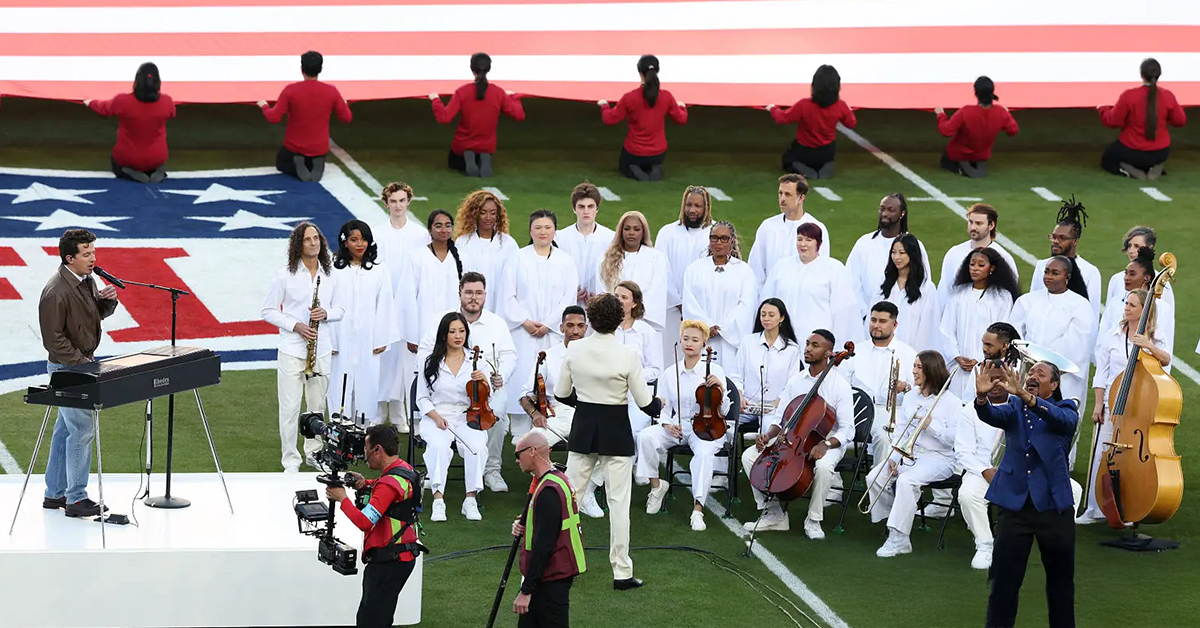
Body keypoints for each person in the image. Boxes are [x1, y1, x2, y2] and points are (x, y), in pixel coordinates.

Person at [555, 293, 662, 590]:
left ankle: (555, 561)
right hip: (616, 430)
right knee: (619, 504)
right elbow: (645, 402)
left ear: (590, 319)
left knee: (568, 499)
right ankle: (621, 572)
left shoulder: (575, 349)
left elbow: (562, 394)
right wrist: (659, 405)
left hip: (584, 428)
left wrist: (588, 405)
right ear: (618, 320)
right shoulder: (627, 354)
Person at [974, 361, 1078, 628]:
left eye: (1040, 374)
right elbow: (991, 416)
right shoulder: (1015, 407)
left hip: (1053, 507)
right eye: (1030, 372)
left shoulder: (1067, 409)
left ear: (1054, 385)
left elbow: (1061, 422)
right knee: (1004, 581)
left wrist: (1026, 397)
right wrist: (982, 397)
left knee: (1061, 583)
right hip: (1015, 506)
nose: (1032, 375)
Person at [740, 330, 856, 539]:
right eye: (807, 343)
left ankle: (813, 519)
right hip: (793, 438)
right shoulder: (796, 381)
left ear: (829, 353)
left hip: (828, 441)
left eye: (815, 345)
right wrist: (768, 435)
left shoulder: (840, 386)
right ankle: (774, 513)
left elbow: (848, 429)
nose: (808, 348)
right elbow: (780, 417)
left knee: (823, 466)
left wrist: (826, 445)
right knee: (749, 456)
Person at [38, 229, 119, 517]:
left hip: (77, 363)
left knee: (65, 431)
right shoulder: (56, 290)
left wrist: (106, 302)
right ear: (69, 258)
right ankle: (75, 498)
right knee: (82, 430)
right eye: (86, 254)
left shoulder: (86, 281)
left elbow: (91, 316)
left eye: (93, 252)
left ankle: (55, 494)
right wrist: (80, 363)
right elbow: (53, 338)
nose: (93, 258)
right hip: (68, 368)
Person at [414, 272, 518, 494]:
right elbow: (423, 353)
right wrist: (439, 366)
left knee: (496, 411)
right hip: (448, 386)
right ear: (460, 293)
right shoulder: (442, 320)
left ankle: (491, 470)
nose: (473, 297)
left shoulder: (496, 323)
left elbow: (509, 355)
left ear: (485, 295)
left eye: (478, 293)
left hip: (488, 387)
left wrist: (500, 376)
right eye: (469, 292)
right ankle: (437, 472)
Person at [1079, 288, 1171, 524]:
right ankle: (1094, 509)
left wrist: (1148, 345)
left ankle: (1130, 507)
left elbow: (1166, 359)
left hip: (1141, 407)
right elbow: (1102, 371)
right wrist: (1098, 404)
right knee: (1103, 453)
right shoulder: (1112, 335)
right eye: (1126, 303)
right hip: (1113, 403)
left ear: (1144, 310)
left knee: (1131, 459)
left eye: (1132, 305)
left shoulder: (1155, 336)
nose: (1127, 308)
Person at [261, 222, 344, 472]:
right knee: (289, 407)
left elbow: (341, 308)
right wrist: (295, 325)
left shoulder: (330, 275)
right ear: (299, 244)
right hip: (292, 349)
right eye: (308, 240)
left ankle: (315, 453)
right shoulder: (284, 275)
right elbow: (268, 310)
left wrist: (326, 313)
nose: (313, 243)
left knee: (317, 405)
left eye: (316, 239)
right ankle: (290, 460)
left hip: (322, 347)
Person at [324, 424, 426, 628]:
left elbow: (364, 522)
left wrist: (342, 498)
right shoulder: (402, 469)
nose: (364, 454)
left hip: (388, 561)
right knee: (379, 617)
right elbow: (387, 489)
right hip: (399, 557)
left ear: (378, 449)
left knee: (371, 621)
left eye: (366, 449)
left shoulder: (389, 483)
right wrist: (366, 483)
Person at [638, 319, 731, 532]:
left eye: (695, 340)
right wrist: (666, 424)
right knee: (645, 437)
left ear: (704, 343)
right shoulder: (670, 372)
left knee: (705, 454)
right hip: (677, 426)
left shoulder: (714, 370)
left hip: (707, 427)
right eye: (685, 338)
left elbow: (723, 410)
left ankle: (698, 508)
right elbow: (661, 405)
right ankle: (656, 486)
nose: (689, 343)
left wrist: (719, 388)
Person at [865, 351, 960, 558]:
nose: (913, 371)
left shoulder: (951, 402)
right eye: (914, 366)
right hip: (910, 454)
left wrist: (931, 425)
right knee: (874, 477)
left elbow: (955, 440)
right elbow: (901, 430)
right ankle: (894, 520)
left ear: (931, 371)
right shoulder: (909, 397)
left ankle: (899, 538)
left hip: (939, 458)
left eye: (919, 367)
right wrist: (893, 457)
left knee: (906, 481)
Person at [502, 210, 579, 439]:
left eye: (547, 227)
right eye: (538, 228)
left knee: (551, 375)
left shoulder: (565, 261)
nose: (542, 232)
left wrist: (549, 323)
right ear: (530, 231)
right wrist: (524, 321)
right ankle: (518, 427)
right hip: (524, 331)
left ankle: (551, 418)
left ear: (554, 230)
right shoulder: (518, 258)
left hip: (552, 332)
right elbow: (508, 294)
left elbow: (568, 296)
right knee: (523, 374)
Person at [949, 322, 1017, 570]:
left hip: (1018, 469)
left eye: (1001, 381)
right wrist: (985, 471)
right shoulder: (971, 411)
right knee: (967, 495)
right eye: (990, 381)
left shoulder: (1022, 406)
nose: (996, 385)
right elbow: (963, 452)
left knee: (1071, 489)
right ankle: (985, 545)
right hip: (983, 469)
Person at [416, 312, 491, 522]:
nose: (458, 336)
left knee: (477, 447)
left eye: (461, 331)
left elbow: (487, 394)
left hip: (468, 414)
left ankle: (470, 500)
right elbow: (422, 398)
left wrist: (484, 381)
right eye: (452, 332)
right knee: (439, 447)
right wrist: (436, 417)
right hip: (437, 414)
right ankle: (439, 500)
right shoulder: (430, 361)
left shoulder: (477, 360)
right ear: (443, 335)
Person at [326, 220, 401, 425]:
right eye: (354, 239)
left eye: (364, 239)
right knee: (339, 385)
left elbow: (384, 304)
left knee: (366, 387)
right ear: (345, 242)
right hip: (340, 338)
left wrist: (380, 338)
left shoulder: (378, 270)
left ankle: (363, 433)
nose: (360, 244)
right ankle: (338, 432)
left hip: (368, 339)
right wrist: (330, 341)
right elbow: (327, 304)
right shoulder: (332, 270)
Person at [511, 431, 586, 627]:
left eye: (518, 455)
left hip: (549, 579)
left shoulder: (548, 491)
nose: (517, 461)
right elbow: (551, 523)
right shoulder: (558, 479)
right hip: (552, 574)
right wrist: (526, 525)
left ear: (532, 452)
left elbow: (543, 545)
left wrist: (526, 590)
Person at [373, 182, 430, 429]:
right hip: (383, 304)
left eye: (402, 200)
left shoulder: (420, 235)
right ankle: (378, 412)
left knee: (406, 361)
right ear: (386, 203)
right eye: (393, 201)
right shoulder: (376, 233)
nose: (397, 205)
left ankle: (401, 413)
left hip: (409, 306)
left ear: (409, 202)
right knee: (384, 358)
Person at [1010, 256, 1098, 416]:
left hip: (1063, 376)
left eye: (1055, 273)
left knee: (1058, 419)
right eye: (1046, 272)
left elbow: (1078, 344)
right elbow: (1015, 335)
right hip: (1027, 373)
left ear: (1067, 277)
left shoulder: (1080, 305)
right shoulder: (1027, 301)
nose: (1049, 277)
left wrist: (1045, 366)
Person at [761, 223, 862, 350]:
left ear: (818, 243)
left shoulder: (834, 269)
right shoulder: (781, 267)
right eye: (799, 239)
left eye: (808, 240)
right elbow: (767, 301)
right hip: (783, 341)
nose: (803, 244)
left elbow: (844, 312)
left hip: (816, 343)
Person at [258, 51, 352, 182]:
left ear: (302, 69)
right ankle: (316, 162)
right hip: (319, 148)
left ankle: (297, 165)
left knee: (282, 163)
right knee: (314, 158)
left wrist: (264, 106)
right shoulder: (331, 91)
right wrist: (345, 105)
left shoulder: (291, 90)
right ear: (320, 69)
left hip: (294, 147)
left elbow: (274, 118)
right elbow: (346, 117)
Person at [939, 247, 1020, 401]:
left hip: (988, 366)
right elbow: (947, 328)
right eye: (972, 264)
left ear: (992, 268)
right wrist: (956, 355)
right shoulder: (958, 294)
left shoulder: (1002, 297)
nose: (975, 269)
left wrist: (980, 359)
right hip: (958, 366)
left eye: (980, 265)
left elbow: (1003, 333)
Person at [431, 52, 525, 177]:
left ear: (471, 69)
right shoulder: (498, 92)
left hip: (463, 144)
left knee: (453, 163)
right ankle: (483, 158)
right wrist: (514, 97)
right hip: (487, 145)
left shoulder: (462, 92)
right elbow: (519, 115)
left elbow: (444, 117)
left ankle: (468, 158)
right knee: (481, 151)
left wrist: (435, 100)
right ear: (489, 69)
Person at [841, 302, 916, 458]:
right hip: (856, 409)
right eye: (873, 320)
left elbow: (917, 391)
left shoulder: (908, 353)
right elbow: (841, 386)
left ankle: (878, 481)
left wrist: (905, 387)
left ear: (894, 325)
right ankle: (834, 481)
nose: (876, 325)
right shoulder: (856, 352)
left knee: (884, 438)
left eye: (882, 321)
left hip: (888, 411)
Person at [682, 220, 757, 372]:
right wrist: (706, 327)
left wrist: (722, 328)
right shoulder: (695, 269)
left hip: (730, 342)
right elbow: (690, 303)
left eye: (724, 238)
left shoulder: (744, 271)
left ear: (731, 241)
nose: (718, 242)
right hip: (702, 339)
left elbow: (746, 306)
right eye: (714, 238)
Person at [599, 54, 688, 181]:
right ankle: (653, 168)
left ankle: (635, 170)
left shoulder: (630, 98)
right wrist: (683, 108)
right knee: (651, 161)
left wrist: (604, 106)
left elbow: (610, 119)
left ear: (639, 72)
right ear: (657, 71)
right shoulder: (666, 96)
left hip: (634, 152)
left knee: (624, 166)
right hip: (658, 153)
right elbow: (681, 119)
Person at [85, 62, 176, 183]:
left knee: (117, 163)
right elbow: (172, 113)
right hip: (157, 157)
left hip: (127, 158)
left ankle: (131, 173)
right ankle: (154, 172)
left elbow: (105, 108)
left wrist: (90, 102)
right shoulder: (167, 102)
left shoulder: (122, 101)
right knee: (153, 161)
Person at [1099, 58, 1187, 179]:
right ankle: (1155, 166)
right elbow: (1180, 121)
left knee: (1107, 160)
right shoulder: (1168, 96)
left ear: (1141, 74)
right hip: (1160, 152)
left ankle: (1129, 169)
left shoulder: (1129, 96)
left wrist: (1103, 109)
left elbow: (1113, 121)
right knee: (1147, 157)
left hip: (1131, 150)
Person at [765, 64, 856, 179]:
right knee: (826, 155)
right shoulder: (841, 106)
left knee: (787, 160)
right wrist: (848, 110)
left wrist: (773, 108)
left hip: (804, 151)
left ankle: (802, 170)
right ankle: (826, 165)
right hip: (827, 151)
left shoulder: (804, 105)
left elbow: (782, 118)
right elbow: (851, 123)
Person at [845, 193, 931, 314]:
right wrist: (864, 313)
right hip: (868, 319)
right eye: (882, 209)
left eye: (891, 210)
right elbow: (851, 280)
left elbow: (923, 282)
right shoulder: (864, 243)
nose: (884, 213)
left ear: (902, 214)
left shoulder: (916, 246)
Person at [404, 209, 467, 368]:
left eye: (448, 225)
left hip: (454, 327)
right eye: (438, 226)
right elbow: (408, 297)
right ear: (430, 229)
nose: (444, 230)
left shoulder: (461, 257)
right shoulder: (417, 257)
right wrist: (412, 335)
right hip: (424, 326)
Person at [1100, 232, 1175, 364]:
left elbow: (1166, 348)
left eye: (1132, 274)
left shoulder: (1162, 309)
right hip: (1115, 374)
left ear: (1147, 278)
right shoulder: (1115, 303)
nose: (1126, 278)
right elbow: (1102, 339)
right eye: (1126, 273)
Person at [656, 185, 715, 352]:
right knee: (671, 354)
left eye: (698, 206)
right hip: (673, 310)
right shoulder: (667, 233)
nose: (692, 210)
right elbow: (662, 272)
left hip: (705, 309)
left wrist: (694, 308)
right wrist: (681, 304)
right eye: (689, 205)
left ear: (706, 207)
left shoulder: (714, 233)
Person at [730, 299, 802, 429]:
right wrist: (739, 394)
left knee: (769, 431)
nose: (766, 318)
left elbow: (792, 383)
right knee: (725, 423)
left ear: (782, 318)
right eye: (763, 315)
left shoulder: (792, 349)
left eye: (771, 315)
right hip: (747, 405)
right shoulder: (748, 342)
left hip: (773, 408)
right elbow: (736, 374)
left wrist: (777, 403)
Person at [747, 174, 830, 287]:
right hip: (771, 298)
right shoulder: (768, 227)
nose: (782, 199)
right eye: (780, 193)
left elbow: (822, 268)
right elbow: (756, 268)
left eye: (788, 194)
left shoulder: (817, 228)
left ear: (801, 198)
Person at [594, 211, 669, 333]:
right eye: (627, 228)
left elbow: (656, 291)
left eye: (637, 229)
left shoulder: (656, 258)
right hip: (614, 324)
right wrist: (618, 314)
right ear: (621, 232)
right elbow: (603, 291)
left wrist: (634, 314)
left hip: (643, 323)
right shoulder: (605, 258)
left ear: (643, 232)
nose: (631, 233)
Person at [1030, 198, 1102, 320]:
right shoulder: (1042, 265)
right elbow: (1033, 301)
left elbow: (1092, 313)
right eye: (1053, 237)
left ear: (1075, 241)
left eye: (1062, 238)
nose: (1055, 242)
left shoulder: (1090, 271)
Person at [934, 76, 1019, 178]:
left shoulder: (966, 112)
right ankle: (972, 164)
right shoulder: (1000, 112)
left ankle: (961, 168)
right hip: (982, 156)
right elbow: (1013, 131)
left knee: (946, 160)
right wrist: (1007, 114)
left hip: (958, 154)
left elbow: (946, 131)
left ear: (975, 92)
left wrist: (940, 115)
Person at [453, 189, 519, 314]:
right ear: (474, 214)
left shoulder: (508, 244)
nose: (488, 218)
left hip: (501, 307)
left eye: (493, 213)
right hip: (470, 307)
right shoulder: (463, 242)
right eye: (483, 213)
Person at [871, 233, 940, 351]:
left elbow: (928, 327)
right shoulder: (883, 285)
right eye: (893, 252)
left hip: (912, 354)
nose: (896, 257)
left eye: (902, 253)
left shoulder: (926, 288)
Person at [937, 203, 1019, 301]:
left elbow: (1010, 293)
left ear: (991, 225)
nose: (973, 227)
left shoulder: (1003, 257)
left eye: (978, 223)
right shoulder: (954, 253)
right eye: (971, 222)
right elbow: (944, 290)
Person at [614, 281, 662, 436]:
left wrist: (632, 376)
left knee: (632, 430)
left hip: (637, 394)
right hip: (610, 392)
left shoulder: (646, 331)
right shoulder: (607, 328)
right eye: (616, 296)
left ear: (634, 303)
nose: (619, 300)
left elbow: (655, 368)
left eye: (624, 297)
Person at [556, 182, 616, 307]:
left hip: (600, 308)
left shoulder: (610, 238)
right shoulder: (560, 238)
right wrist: (569, 295)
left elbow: (616, 273)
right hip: (567, 306)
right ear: (574, 209)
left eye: (591, 206)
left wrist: (601, 296)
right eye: (581, 207)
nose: (586, 211)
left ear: (597, 208)